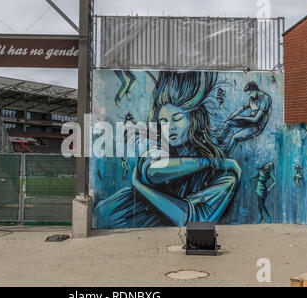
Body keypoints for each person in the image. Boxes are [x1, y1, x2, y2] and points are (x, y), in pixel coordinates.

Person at [93, 71, 241, 228]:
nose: (170, 127)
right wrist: (211, 163)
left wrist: (141, 187)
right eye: (163, 121)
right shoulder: (155, 143)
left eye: (177, 118)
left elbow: (191, 219)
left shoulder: (223, 175)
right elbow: (153, 172)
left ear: (195, 119)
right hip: (108, 216)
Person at [217, 81, 272, 156]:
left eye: (250, 93)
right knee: (228, 123)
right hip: (249, 122)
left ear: (255, 90)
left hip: (256, 126)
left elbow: (256, 119)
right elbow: (241, 109)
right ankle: (218, 143)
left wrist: (240, 117)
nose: (249, 95)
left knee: (235, 137)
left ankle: (224, 156)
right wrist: (230, 118)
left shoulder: (265, 99)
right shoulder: (252, 99)